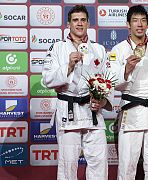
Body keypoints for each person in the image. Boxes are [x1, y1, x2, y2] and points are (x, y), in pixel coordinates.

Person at [42, 5, 113, 180]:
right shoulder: (57, 48)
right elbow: (47, 79)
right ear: (68, 24)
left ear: (88, 23)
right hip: (69, 110)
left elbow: (108, 79)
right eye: (75, 20)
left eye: (83, 20)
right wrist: (69, 66)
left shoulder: (99, 49)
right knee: (68, 166)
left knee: (99, 164)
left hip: (93, 112)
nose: (79, 24)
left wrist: (103, 101)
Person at [109, 5, 148, 180]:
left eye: (143, 20)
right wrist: (126, 70)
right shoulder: (118, 50)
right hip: (131, 110)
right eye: (135, 20)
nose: (139, 24)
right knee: (127, 164)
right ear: (128, 24)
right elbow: (112, 82)